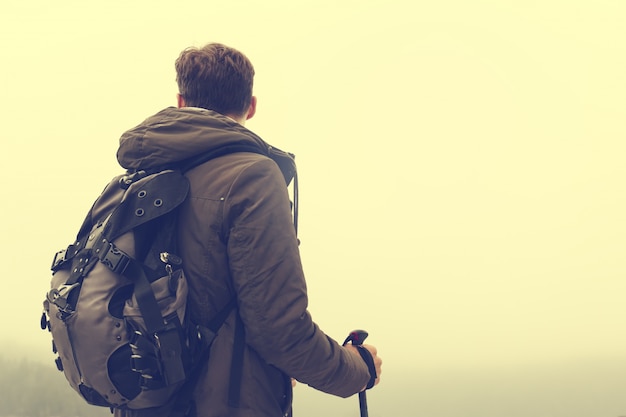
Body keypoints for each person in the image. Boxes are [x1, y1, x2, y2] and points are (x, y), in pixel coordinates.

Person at [115, 42, 382, 417]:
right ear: (251, 106)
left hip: (145, 405)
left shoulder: (142, 178)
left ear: (180, 100)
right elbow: (283, 334)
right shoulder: (252, 178)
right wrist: (359, 368)